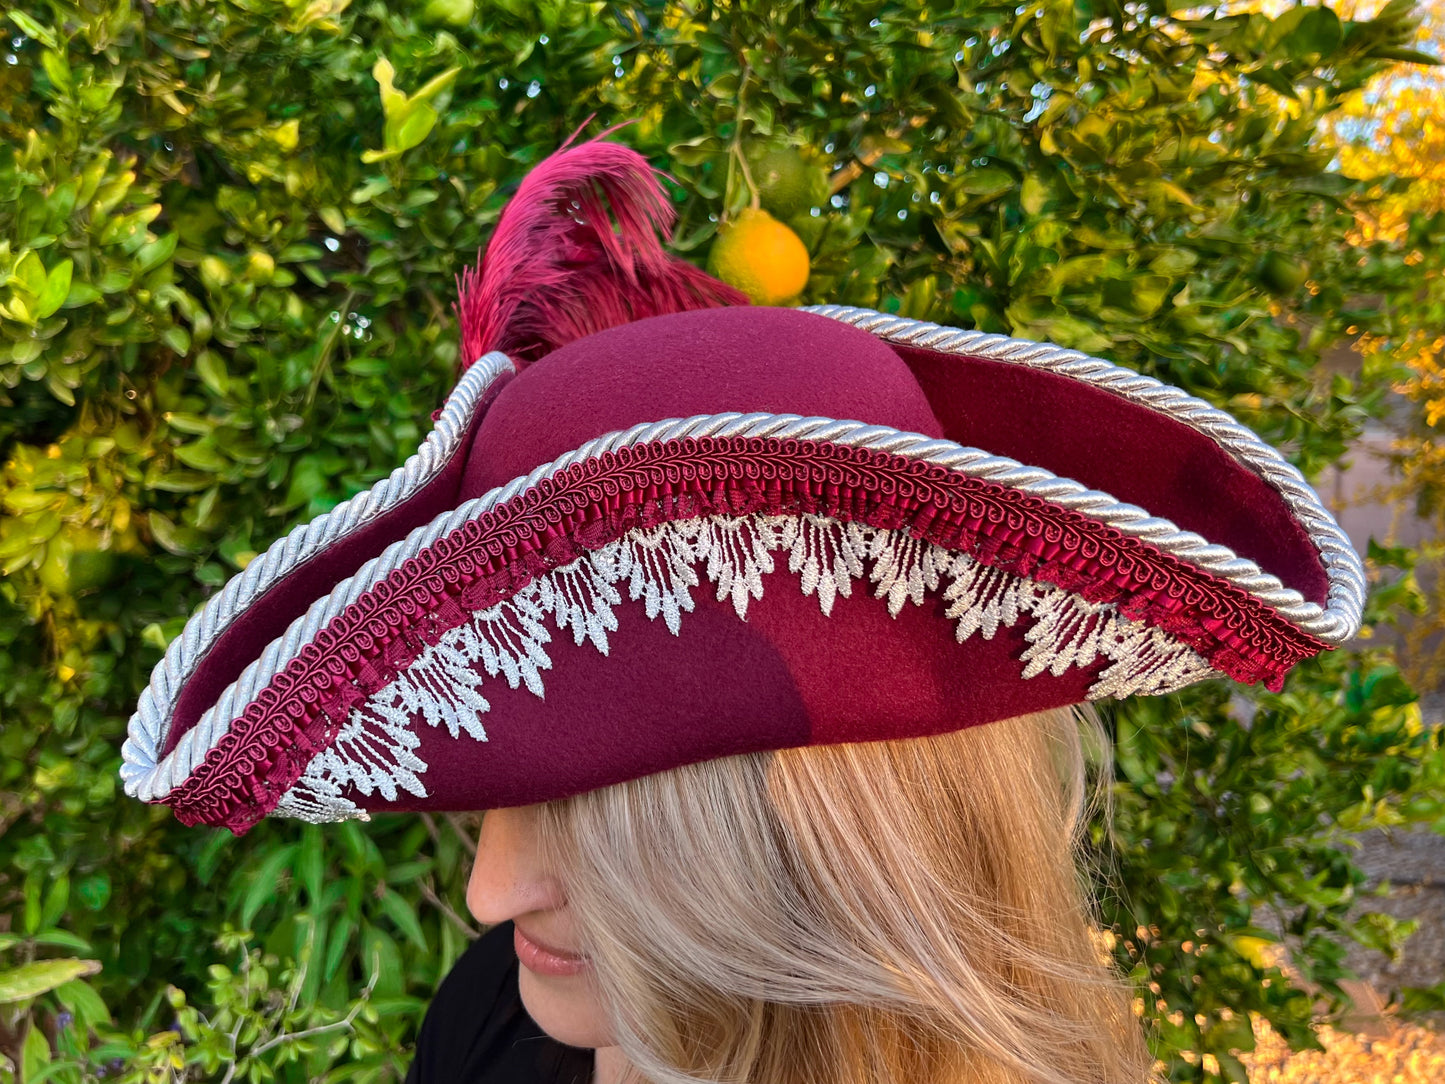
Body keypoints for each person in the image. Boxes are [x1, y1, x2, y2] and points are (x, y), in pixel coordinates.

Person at [120, 123, 1364, 1084]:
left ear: (830, 850)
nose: (490, 892)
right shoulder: (497, 1022)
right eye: (513, 782)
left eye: (592, 804)